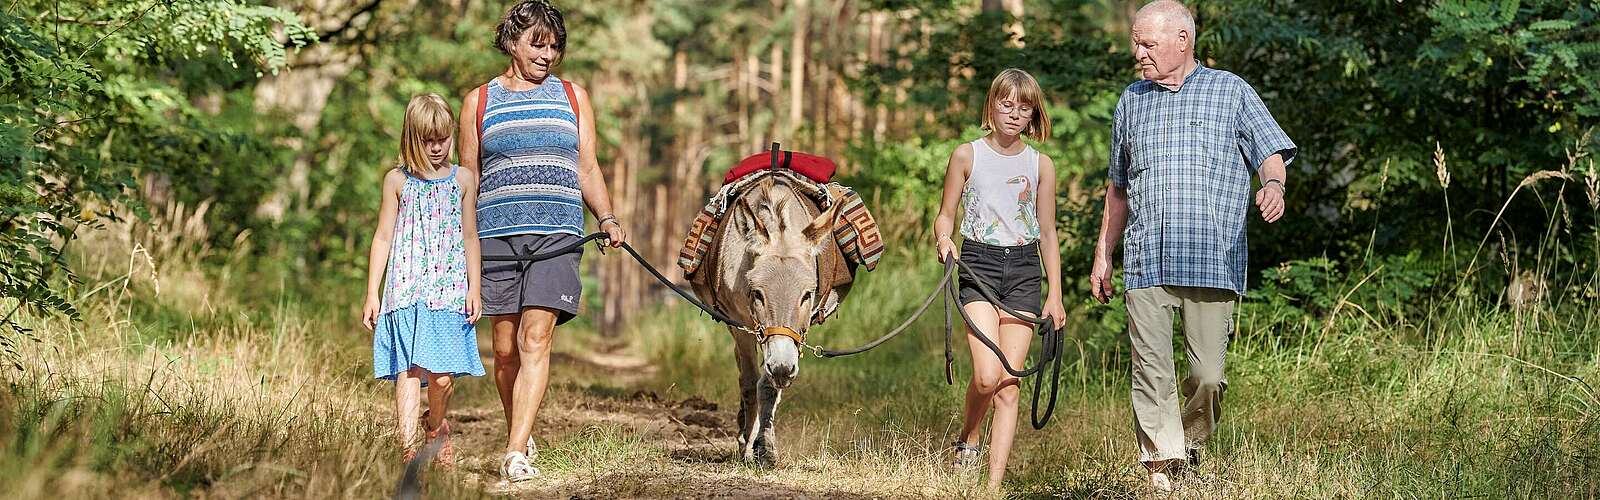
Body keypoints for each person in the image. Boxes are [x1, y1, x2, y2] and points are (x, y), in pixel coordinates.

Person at [1088, 0, 1296, 493]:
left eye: (1147, 43)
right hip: (1146, 261)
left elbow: (1270, 154)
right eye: (1136, 42)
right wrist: (1104, 253)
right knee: (1151, 373)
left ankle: (1190, 445)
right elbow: (1118, 187)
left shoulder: (1230, 91)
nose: (1138, 52)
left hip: (1212, 259)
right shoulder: (1131, 101)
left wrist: (1273, 186)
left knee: (1207, 376)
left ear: (1183, 40)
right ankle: (1163, 470)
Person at [457, 0, 627, 483]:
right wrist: (454, 234)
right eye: (538, 43)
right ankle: (521, 427)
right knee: (505, 348)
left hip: (557, 234)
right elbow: (469, 176)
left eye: (555, 46)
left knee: (536, 337)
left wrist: (608, 216)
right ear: (511, 42)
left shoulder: (574, 97)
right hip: (494, 236)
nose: (547, 54)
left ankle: (514, 452)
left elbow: (587, 167)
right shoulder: (479, 101)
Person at [932, 68, 1067, 490]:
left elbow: (1047, 232)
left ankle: (992, 488)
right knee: (988, 376)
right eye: (1006, 104)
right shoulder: (966, 155)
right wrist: (943, 240)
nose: (1013, 113)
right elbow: (945, 215)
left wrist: (1056, 295)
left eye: (1023, 107)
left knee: (1009, 385)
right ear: (991, 105)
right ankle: (969, 437)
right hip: (978, 266)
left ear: (1033, 114)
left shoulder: (1040, 164)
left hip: (1025, 272)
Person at [362, 93, 486, 467]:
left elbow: (469, 237)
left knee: (442, 378)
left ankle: (435, 426)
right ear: (411, 139)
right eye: (427, 141)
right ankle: (408, 449)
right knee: (409, 371)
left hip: (448, 294)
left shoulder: (462, 180)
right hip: (405, 290)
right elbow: (383, 236)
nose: (436, 148)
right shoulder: (397, 181)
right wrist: (372, 291)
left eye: (443, 139)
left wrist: (474, 287)